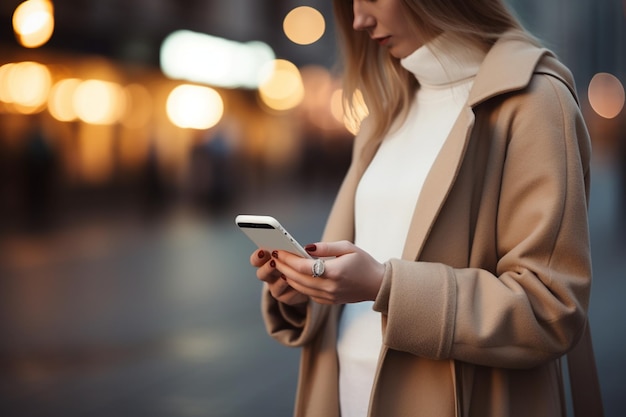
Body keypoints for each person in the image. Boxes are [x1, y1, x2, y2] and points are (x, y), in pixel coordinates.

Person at [249, 0, 603, 416]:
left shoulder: (534, 100)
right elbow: (361, 270)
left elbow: (550, 309)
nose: (359, 19)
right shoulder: (385, 111)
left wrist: (384, 287)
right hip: (344, 395)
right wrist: (304, 290)